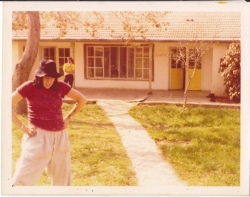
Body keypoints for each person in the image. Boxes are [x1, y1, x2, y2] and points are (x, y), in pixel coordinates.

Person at [12, 59, 87, 186]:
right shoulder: (29, 87)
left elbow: (82, 99)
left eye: (52, 78)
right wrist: (22, 127)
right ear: (39, 76)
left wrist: (69, 117)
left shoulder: (60, 86)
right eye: (46, 77)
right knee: (21, 180)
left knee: (62, 182)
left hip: (60, 138)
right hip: (38, 137)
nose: (49, 81)